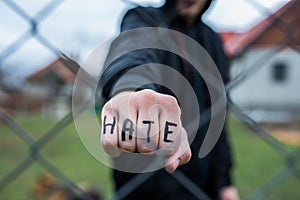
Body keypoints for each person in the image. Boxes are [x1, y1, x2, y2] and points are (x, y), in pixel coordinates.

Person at [99, 0, 240, 199]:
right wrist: (131, 90)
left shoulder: (212, 40)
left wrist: (225, 182)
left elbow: (219, 117)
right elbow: (134, 48)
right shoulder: (145, 18)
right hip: (145, 181)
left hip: (201, 180)